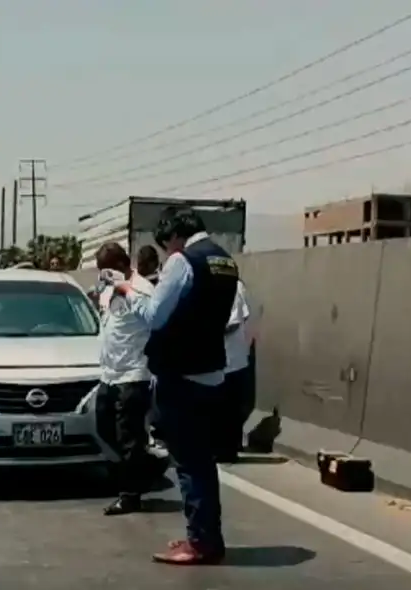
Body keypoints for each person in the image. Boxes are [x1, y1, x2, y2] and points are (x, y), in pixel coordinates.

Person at [115, 207, 238, 566]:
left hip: (181, 373)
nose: (167, 251)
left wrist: (127, 290)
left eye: (167, 243)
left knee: (189, 463)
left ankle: (201, 542)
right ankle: (203, 536)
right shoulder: (225, 260)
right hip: (211, 371)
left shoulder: (183, 261)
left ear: (174, 235)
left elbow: (155, 316)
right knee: (202, 461)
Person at [94, 242, 157, 516]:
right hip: (109, 374)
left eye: (106, 270)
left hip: (134, 374)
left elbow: (153, 319)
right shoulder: (108, 289)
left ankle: (130, 494)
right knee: (105, 426)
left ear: (121, 265)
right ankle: (142, 467)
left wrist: (125, 289)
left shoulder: (142, 288)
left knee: (128, 435)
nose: (103, 275)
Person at [216, 279, 253, 463]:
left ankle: (227, 451)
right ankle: (221, 448)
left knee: (229, 407)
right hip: (218, 359)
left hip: (231, 358)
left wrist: (208, 332)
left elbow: (234, 321)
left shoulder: (232, 285)